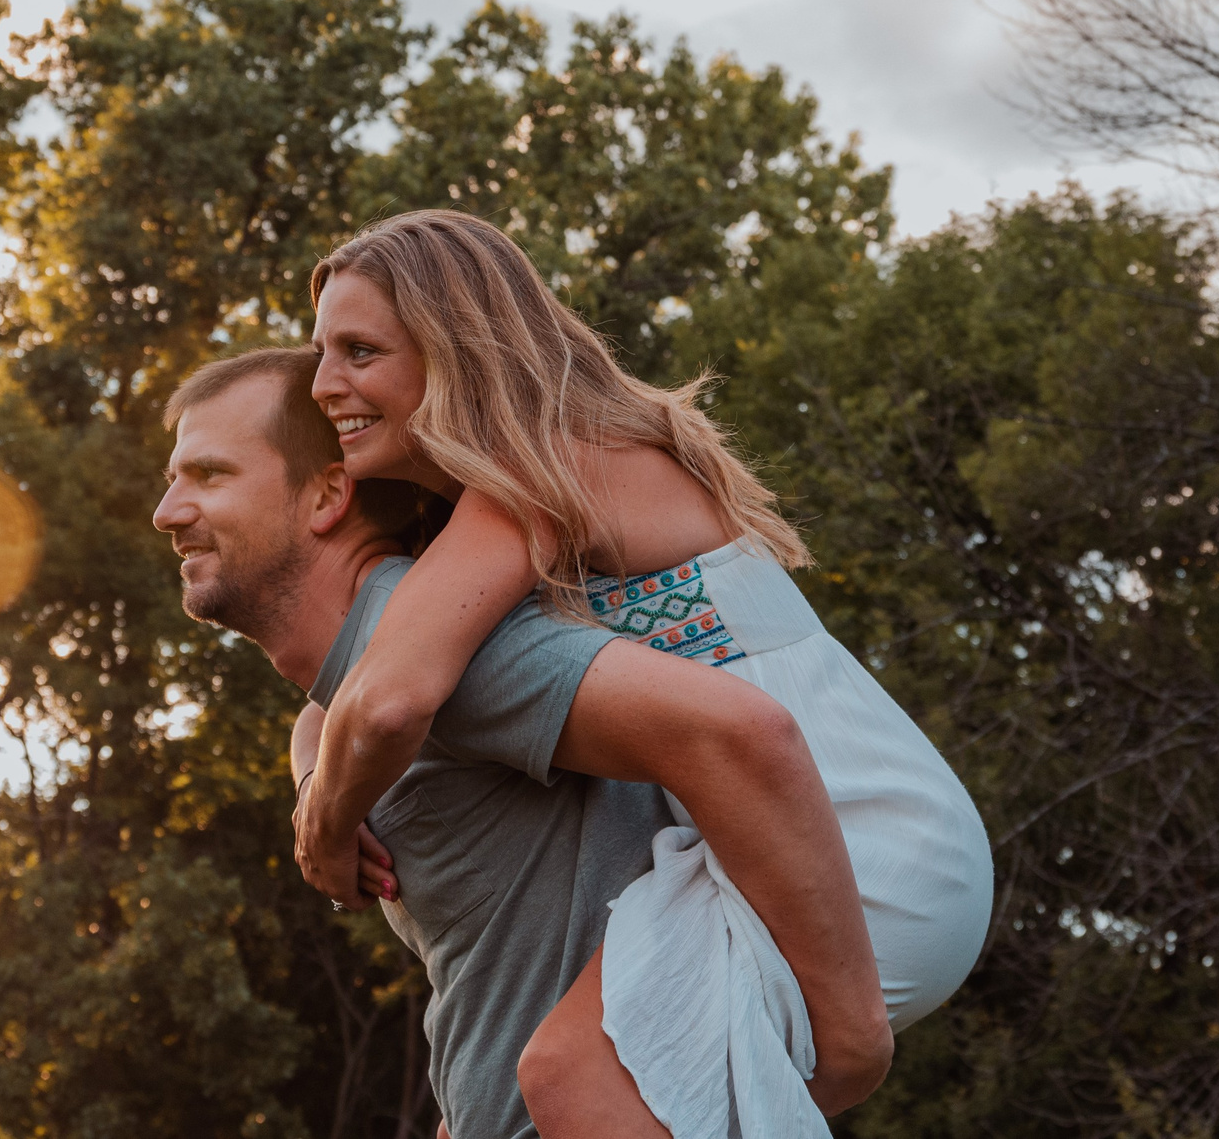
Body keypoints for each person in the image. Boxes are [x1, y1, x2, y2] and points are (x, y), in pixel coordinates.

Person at [296, 210, 994, 1139]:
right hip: (778, 840)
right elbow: (344, 695)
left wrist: (325, 825)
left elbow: (386, 699)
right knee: (525, 1100)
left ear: (453, 348)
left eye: (358, 351)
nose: (322, 384)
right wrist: (316, 769)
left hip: (853, 841)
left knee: (573, 1074)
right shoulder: (522, 491)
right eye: (319, 352)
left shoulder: (542, 471)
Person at [149, 347, 892, 1139]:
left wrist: (850, 1038)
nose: (166, 510)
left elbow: (738, 731)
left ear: (329, 493)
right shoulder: (361, 696)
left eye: (208, 475)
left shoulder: (454, 655)